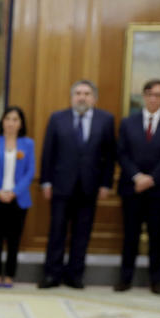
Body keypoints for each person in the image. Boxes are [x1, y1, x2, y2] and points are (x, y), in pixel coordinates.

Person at [38, 79, 116, 289]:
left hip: (89, 187)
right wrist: (46, 182)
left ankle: (75, 275)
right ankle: (52, 274)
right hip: (61, 186)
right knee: (57, 232)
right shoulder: (57, 118)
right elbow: (48, 153)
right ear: (72, 97)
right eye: (78, 93)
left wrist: (106, 184)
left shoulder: (106, 120)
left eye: (87, 93)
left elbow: (109, 156)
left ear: (94, 98)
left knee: (82, 233)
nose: (82, 97)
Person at [114, 78, 160, 294]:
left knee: (158, 237)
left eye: (158, 95)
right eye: (149, 94)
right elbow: (122, 153)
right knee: (130, 235)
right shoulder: (129, 122)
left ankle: (155, 280)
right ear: (144, 96)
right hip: (132, 189)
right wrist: (137, 176)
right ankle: (126, 279)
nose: (153, 98)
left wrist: (151, 178)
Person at [0, 106, 35, 287]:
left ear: (21, 124)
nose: (11, 123)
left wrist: (14, 192)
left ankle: (10, 274)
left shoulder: (27, 144)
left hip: (17, 199)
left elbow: (30, 171)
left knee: (14, 240)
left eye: (15, 119)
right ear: (2, 122)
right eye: (8, 119)